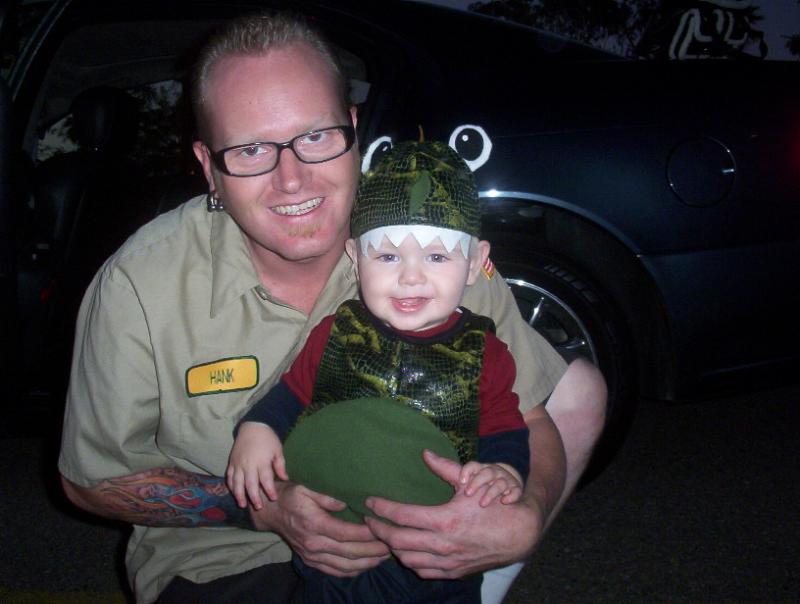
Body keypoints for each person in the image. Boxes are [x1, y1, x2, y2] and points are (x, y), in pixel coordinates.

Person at [57, 11, 607, 604]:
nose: (292, 179)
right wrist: (261, 507)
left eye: (316, 136)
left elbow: (529, 415)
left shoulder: (425, 241)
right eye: (250, 149)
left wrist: (528, 513)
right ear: (209, 167)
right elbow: (91, 482)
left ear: (353, 129)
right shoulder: (141, 284)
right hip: (222, 561)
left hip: (408, 546)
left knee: (579, 387)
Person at [228, 139, 530, 603]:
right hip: (334, 552)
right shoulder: (336, 333)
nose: (410, 277)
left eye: (437, 257)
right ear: (355, 257)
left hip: (437, 563)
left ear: (474, 263)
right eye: (388, 256)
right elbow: (291, 395)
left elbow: (505, 429)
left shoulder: (485, 354)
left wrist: (505, 470)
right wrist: (257, 427)